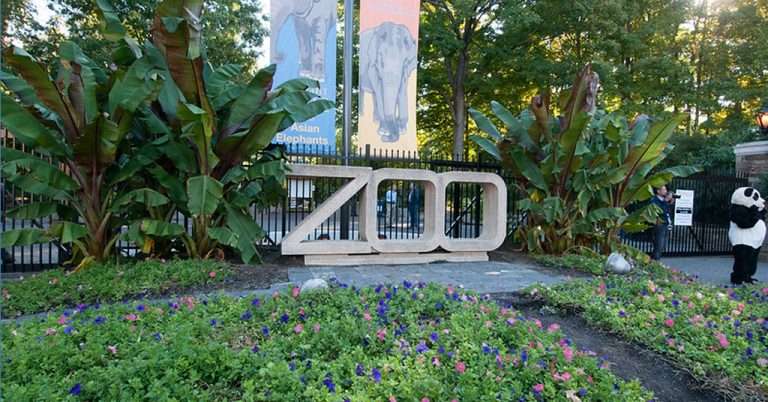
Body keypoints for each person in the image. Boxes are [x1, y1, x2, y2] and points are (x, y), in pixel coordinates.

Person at [650, 185, 675, 260]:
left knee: (663, 245)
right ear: (658, 191)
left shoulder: (663, 200)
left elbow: (667, 211)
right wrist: (666, 201)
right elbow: (660, 211)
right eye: (664, 190)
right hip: (659, 224)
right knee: (659, 244)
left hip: (666, 224)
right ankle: (655, 261)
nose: (666, 191)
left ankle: (655, 260)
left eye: (666, 189)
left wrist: (670, 203)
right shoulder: (654, 200)